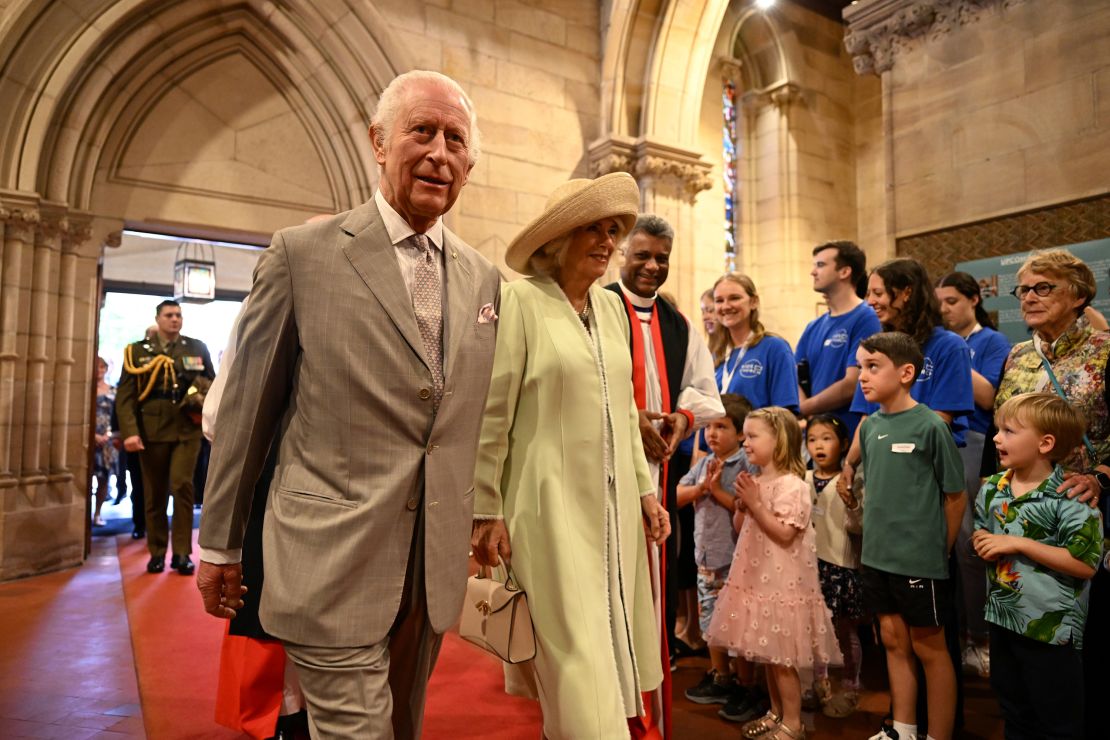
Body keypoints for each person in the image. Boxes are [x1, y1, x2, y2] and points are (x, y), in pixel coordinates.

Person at [196, 70, 500, 739]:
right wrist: (219, 543)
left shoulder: (484, 279)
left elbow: (471, 421)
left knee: (403, 724)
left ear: (470, 166)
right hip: (327, 557)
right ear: (379, 143)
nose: (440, 153)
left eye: (456, 140)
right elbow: (246, 413)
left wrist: (487, 511)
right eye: (422, 131)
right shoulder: (302, 256)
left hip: (430, 567)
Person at [470, 172, 670, 740]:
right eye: (594, 229)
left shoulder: (611, 311)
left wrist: (645, 493)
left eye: (613, 230)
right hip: (545, 507)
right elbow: (492, 414)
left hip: (610, 515)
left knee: (608, 638)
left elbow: (626, 416)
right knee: (573, 652)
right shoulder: (521, 301)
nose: (608, 242)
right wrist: (486, 509)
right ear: (560, 238)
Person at [992, 248, 1110, 739]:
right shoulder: (1019, 354)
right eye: (1025, 289)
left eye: (1045, 287)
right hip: (1023, 512)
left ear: (1079, 295)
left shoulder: (1106, 349)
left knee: (1084, 640)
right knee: (1024, 631)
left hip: (1085, 505)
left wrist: (1101, 474)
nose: (1031, 297)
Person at [605, 214, 724, 675]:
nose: (652, 266)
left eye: (662, 258)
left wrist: (682, 418)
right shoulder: (599, 307)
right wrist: (629, 418)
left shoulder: (680, 325)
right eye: (643, 256)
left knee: (656, 573)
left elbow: (704, 391)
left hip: (661, 471)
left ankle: (652, 664)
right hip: (607, 469)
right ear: (623, 255)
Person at [853, 332, 966, 740]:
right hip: (878, 557)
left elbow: (955, 496)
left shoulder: (930, 425)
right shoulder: (871, 427)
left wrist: (941, 550)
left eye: (873, 367)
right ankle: (902, 728)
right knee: (892, 642)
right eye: (861, 367)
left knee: (930, 650)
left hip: (920, 560)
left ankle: (938, 735)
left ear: (905, 373)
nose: (862, 377)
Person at [705, 406, 842, 740]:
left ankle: (793, 724)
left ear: (778, 440)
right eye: (745, 435)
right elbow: (742, 528)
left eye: (752, 436)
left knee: (783, 660)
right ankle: (775, 712)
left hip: (782, 584)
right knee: (767, 654)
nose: (745, 442)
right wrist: (742, 506)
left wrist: (754, 504)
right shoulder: (757, 481)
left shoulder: (792, 486)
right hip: (756, 580)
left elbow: (784, 533)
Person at [973, 392, 1102, 740]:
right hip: (1003, 620)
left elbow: (1085, 563)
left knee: (1058, 720)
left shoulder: (1072, 497)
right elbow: (982, 531)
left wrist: (1018, 543)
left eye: (1010, 431)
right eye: (998, 429)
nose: (997, 438)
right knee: (1014, 710)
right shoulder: (993, 489)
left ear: (1045, 443)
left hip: (1051, 633)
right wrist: (983, 542)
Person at [935, 270, 1012, 677]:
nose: (945, 309)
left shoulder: (991, 342)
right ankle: (953, 628)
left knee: (967, 542)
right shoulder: (938, 342)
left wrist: (952, 357)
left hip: (977, 443)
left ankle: (978, 639)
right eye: (940, 303)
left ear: (974, 299)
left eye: (952, 301)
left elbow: (990, 397)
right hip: (937, 442)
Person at [115, 300, 215, 574]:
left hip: (186, 428)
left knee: (182, 486)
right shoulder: (137, 352)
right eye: (169, 315)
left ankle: (182, 553)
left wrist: (206, 414)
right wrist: (130, 433)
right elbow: (125, 397)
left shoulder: (196, 348)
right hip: (151, 431)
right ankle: (157, 551)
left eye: (178, 315)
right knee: (155, 492)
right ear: (157, 319)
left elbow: (213, 385)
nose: (175, 319)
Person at [679, 394, 756, 707]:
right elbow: (676, 494)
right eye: (708, 426)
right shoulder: (704, 465)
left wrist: (716, 491)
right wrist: (700, 488)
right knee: (710, 621)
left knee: (738, 624)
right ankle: (719, 675)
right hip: (706, 560)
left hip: (735, 563)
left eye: (721, 427)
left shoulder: (746, 465)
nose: (712, 433)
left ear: (740, 433)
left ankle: (744, 682)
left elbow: (745, 508)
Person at [805, 413, 865, 718]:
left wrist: (853, 503)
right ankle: (820, 685)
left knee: (843, 631)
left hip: (841, 567)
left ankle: (850, 686)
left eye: (826, 438)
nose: (818, 445)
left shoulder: (850, 481)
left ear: (843, 444)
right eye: (812, 439)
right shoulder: (803, 479)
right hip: (809, 568)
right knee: (816, 631)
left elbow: (858, 527)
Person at [796, 241, 881, 437]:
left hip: (851, 434)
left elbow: (853, 383)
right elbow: (796, 375)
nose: (813, 272)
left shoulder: (867, 317)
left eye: (820, 265)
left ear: (844, 272)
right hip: (818, 438)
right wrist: (803, 406)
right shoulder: (813, 326)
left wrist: (804, 408)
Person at [709, 273, 799, 412]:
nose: (726, 306)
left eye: (734, 298)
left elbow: (784, 414)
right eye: (719, 300)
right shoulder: (716, 355)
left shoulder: (775, 348)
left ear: (754, 302)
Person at [92, 356, 117, 528]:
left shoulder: (113, 390)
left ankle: (98, 513)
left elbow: (117, 416)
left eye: (102, 367)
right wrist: (92, 435)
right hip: (90, 437)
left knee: (104, 478)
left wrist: (110, 434)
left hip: (107, 439)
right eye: (97, 367)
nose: (99, 370)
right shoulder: (86, 389)